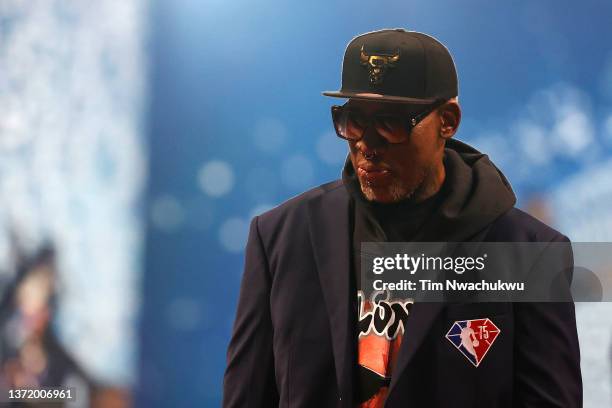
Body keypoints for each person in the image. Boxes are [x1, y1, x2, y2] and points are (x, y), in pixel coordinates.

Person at [223, 29, 582, 407]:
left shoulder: (531, 254)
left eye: (392, 122)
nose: (367, 144)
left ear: (448, 120)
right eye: (354, 119)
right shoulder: (279, 237)